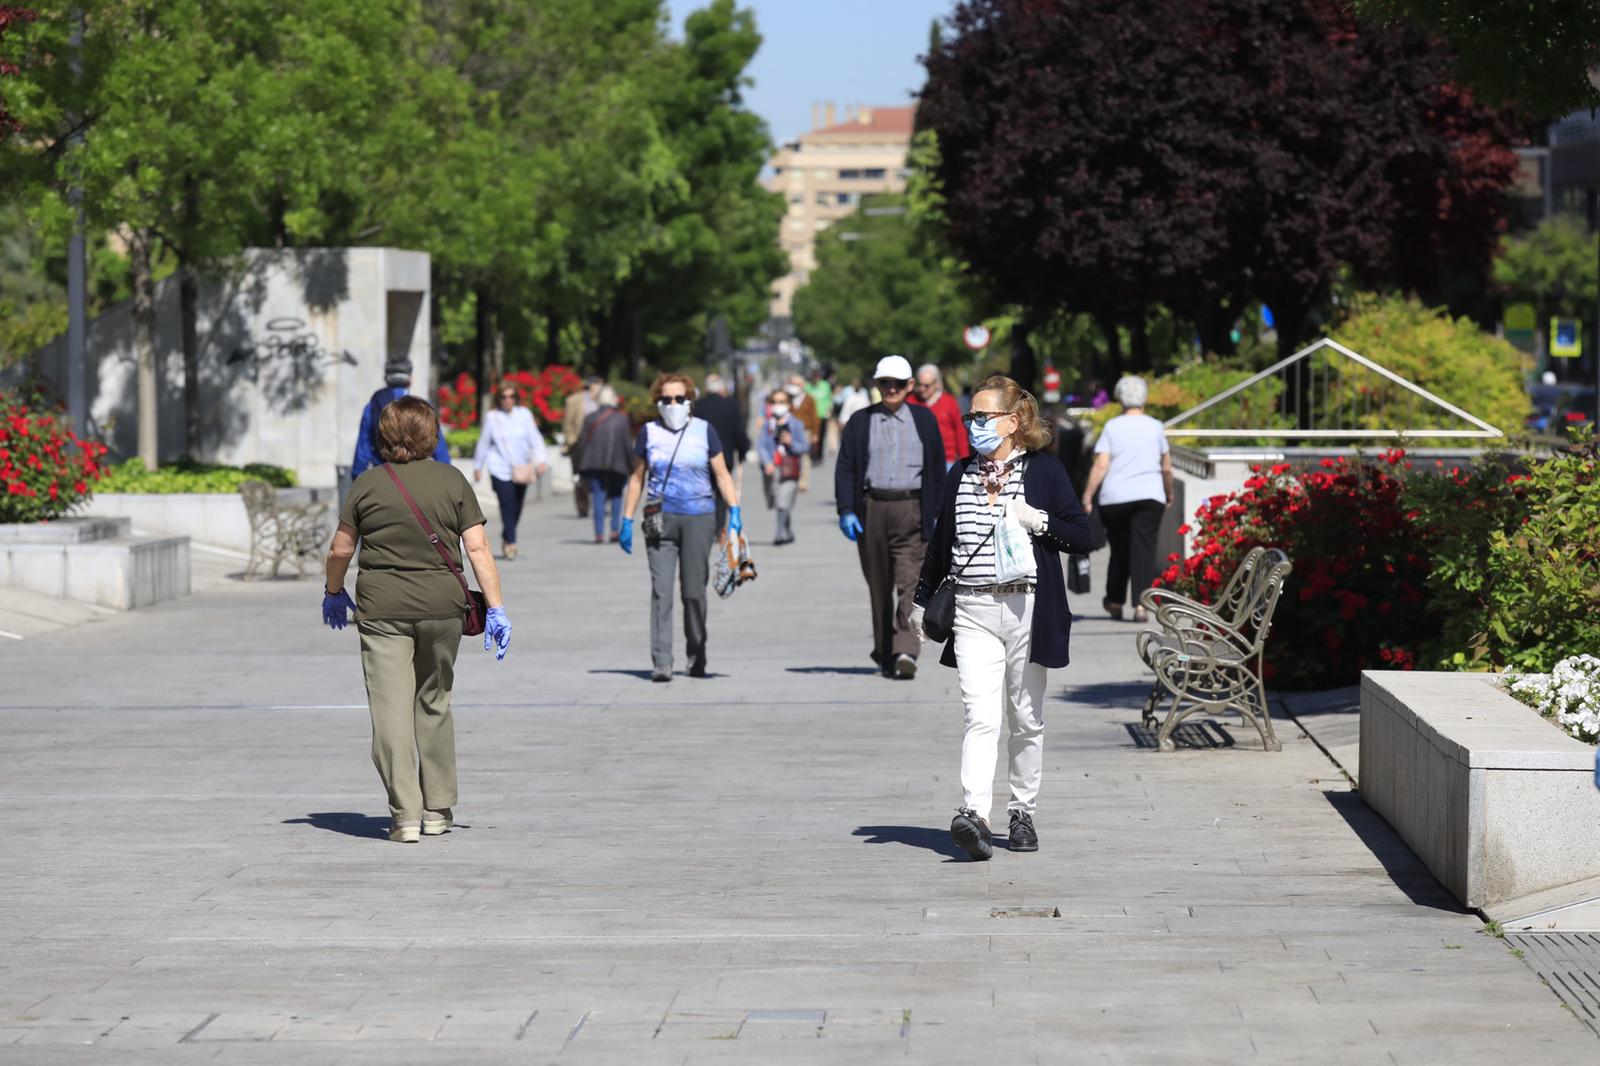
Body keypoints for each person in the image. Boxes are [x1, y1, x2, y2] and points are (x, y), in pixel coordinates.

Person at [911, 374, 1091, 861]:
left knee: (1027, 719)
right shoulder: (960, 472)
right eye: (972, 416)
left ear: (1013, 422)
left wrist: (1039, 520)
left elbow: (1084, 535)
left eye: (982, 416)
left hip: (1028, 608)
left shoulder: (1045, 472)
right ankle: (975, 815)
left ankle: (1022, 811)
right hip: (971, 609)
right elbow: (942, 542)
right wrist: (921, 600)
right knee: (980, 716)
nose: (974, 425)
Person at [321, 396, 512, 844]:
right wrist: (498, 607)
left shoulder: (366, 485)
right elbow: (478, 549)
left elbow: (341, 550)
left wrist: (333, 592)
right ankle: (437, 809)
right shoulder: (452, 480)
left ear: (383, 436)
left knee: (389, 712)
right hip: (444, 608)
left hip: (382, 610)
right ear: (432, 434)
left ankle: (404, 814)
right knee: (434, 701)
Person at [618, 373, 743, 682]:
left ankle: (697, 653)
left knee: (693, 592)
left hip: (700, 517)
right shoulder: (648, 433)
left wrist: (735, 511)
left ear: (690, 401)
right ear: (657, 402)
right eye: (665, 399)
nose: (672, 404)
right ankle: (662, 660)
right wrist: (626, 518)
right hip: (660, 519)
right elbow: (637, 478)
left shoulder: (704, 431)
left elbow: (722, 473)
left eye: (678, 398)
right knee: (661, 591)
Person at [835, 354, 946, 679]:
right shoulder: (860, 421)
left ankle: (906, 649)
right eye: (886, 383)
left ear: (910, 386)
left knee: (910, 581)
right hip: (872, 509)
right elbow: (845, 469)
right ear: (877, 384)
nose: (892, 389)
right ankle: (884, 650)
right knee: (879, 584)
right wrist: (845, 510)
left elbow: (937, 470)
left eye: (899, 384)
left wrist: (937, 513)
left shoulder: (924, 420)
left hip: (912, 509)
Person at [1080, 376, 1174, 624]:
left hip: (1115, 498)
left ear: (1120, 397)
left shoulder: (1112, 426)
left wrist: (1088, 496)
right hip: (1149, 496)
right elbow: (1166, 466)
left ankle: (1114, 601)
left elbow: (1101, 464)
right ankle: (1142, 606)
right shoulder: (1155, 426)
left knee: (1120, 549)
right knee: (1144, 550)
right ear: (1144, 399)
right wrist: (1169, 491)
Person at [471, 382, 549, 560]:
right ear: (499, 399)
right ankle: (512, 542)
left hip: (521, 468)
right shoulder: (493, 417)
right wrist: (478, 466)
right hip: (499, 468)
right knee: (507, 504)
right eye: (504, 397)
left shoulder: (524, 415)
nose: (508, 400)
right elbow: (484, 443)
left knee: (517, 507)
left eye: (511, 396)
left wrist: (542, 460)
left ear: (516, 398)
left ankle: (507, 534)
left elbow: (534, 438)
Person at [350, 358, 451, 479]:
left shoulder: (372, 406)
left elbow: (363, 447)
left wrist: (356, 475)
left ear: (386, 378)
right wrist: (447, 475)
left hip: (384, 475)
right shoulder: (422, 408)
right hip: (415, 477)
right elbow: (438, 448)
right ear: (410, 379)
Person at [693, 373, 751, 535]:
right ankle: (718, 528)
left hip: (701, 456)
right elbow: (739, 430)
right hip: (725, 454)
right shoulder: (731, 405)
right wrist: (743, 449)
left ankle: (704, 524)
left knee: (704, 491)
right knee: (721, 492)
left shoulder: (698, 406)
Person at [577, 386, 633, 544]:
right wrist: (632, 466)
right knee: (616, 496)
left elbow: (582, 443)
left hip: (594, 464)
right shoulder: (621, 419)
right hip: (617, 463)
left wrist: (580, 465)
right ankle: (615, 530)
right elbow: (627, 444)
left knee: (598, 497)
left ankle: (599, 533)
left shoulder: (590, 418)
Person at [758, 387, 809, 545]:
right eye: (774, 402)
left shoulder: (796, 424)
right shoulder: (768, 425)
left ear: (789, 404)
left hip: (790, 467)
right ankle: (788, 530)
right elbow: (761, 445)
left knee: (783, 500)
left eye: (782, 402)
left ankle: (780, 533)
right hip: (772, 468)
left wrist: (791, 442)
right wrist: (767, 462)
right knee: (775, 500)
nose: (778, 405)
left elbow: (805, 447)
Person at [909, 363, 971, 470]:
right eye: (919, 385)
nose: (922, 389)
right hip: (917, 462)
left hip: (947, 462)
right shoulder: (911, 401)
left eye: (926, 385)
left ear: (936, 384)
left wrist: (965, 462)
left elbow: (960, 433)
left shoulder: (949, 402)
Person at [562, 377, 602, 518]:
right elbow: (568, 423)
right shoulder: (574, 400)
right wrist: (570, 441)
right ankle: (582, 506)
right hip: (579, 443)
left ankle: (600, 503)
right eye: (597, 384)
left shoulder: (602, 400)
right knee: (580, 477)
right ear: (591, 385)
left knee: (600, 476)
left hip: (598, 444)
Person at [805, 367, 834, 462]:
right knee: (811, 436)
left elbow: (829, 398)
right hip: (811, 417)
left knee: (821, 436)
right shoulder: (808, 387)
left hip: (822, 415)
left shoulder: (825, 385)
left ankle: (819, 456)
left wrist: (829, 410)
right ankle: (812, 454)